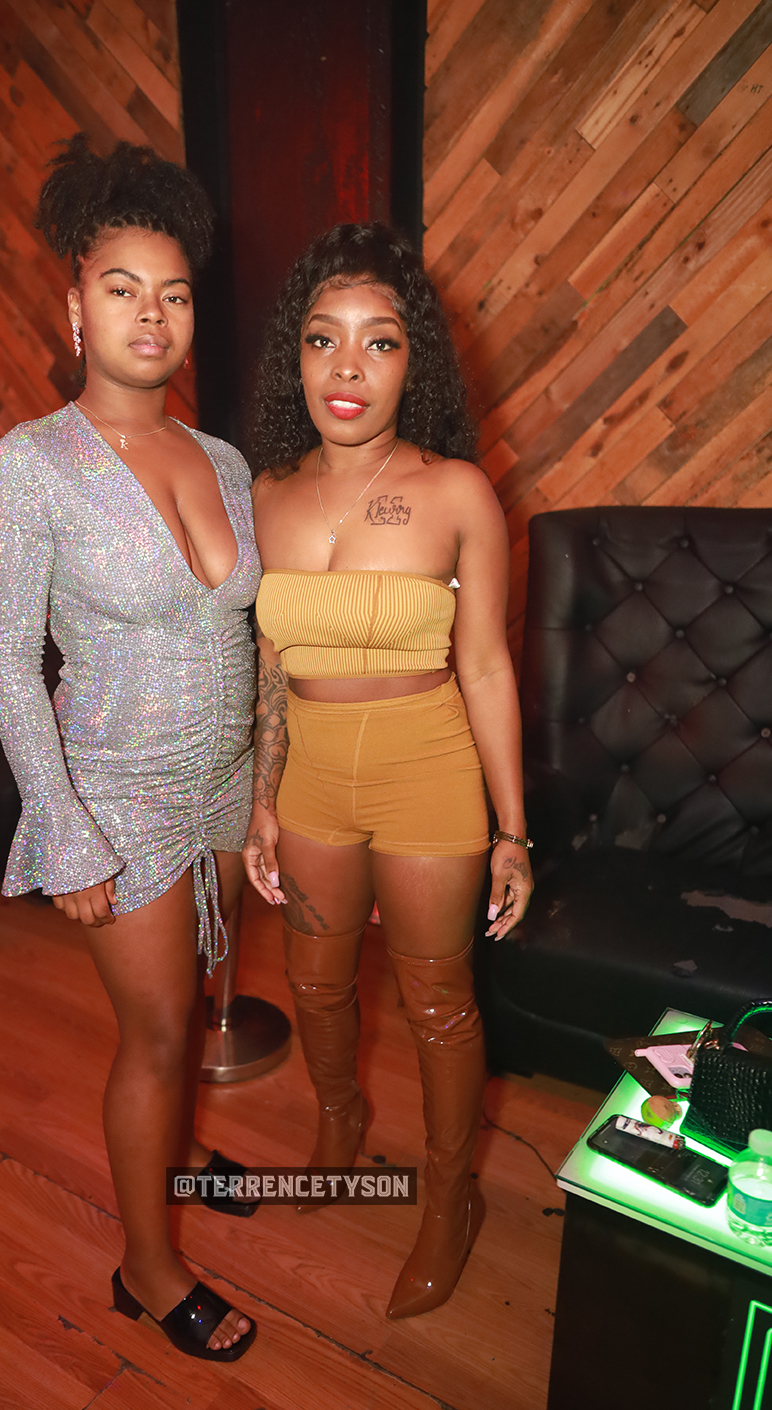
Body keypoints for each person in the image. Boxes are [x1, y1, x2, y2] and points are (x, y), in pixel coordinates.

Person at [0, 138, 258, 1361]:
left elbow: (252, 638)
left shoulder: (225, 459)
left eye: (174, 292)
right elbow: (6, 662)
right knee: (154, 1036)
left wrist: (265, 790)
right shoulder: (29, 466)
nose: (152, 313)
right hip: (118, 796)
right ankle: (147, 1265)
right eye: (124, 287)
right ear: (74, 306)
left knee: (199, 1000)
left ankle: (176, 1157)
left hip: (224, 786)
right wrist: (66, 829)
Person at [243, 223, 533, 1319]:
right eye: (324, 339)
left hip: (428, 772)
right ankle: (340, 1122)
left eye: (381, 342)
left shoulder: (456, 491)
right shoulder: (265, 492)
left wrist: (512, 832)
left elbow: (488, 666)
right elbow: (268, 666)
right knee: (314, 984)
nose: (349, 368)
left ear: (417, 364)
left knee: (437, 1005)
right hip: (311, 778)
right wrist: (262, 803)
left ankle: (450, 1198)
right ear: (296, 355)